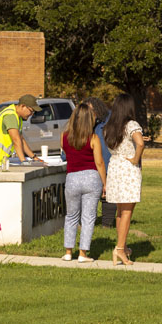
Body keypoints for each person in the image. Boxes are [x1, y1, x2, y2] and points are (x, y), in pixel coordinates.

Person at [0, 94, 46, 233]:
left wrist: (34, 157)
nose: (31, 115)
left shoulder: (17, 117)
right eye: (31, 111)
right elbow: (16, 139)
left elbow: (21, 139)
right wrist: (23, 161)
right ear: (22, 106)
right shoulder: (10, 116)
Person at [61, 102, 108, 262]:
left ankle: (68, 252)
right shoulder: (93, 138)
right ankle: (82, 253)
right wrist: (105, 183)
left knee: (71, 216)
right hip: (91, 178)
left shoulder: (64, 136)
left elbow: (67, 153)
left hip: (72, 178)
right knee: (88, 217)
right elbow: (99, 162)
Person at [103, 93, 145, 265]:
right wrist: (136, 158)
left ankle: (122, 246)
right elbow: (140, 143)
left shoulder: (109, 126)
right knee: (127, 211)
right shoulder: (131, 124)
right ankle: (120, 249)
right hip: (128, 169)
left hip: (114, 167)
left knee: (120, 211)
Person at [86, 97, 116, 228]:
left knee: (108, 194)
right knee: (89, 195)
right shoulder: (87, 121)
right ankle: (87, 222)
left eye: (91, 111)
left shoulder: (110, 120)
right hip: (91, 165)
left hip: (108, 162)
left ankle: (107, 224)